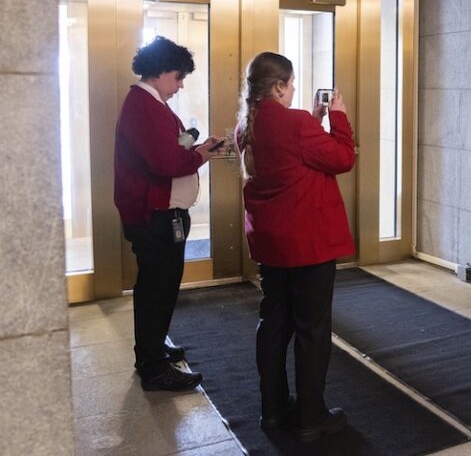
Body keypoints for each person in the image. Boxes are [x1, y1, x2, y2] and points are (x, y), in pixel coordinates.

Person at [235, 52, 356, 442]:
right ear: (280, 85)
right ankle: (310, 416)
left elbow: (293, 156)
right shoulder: (296, 123)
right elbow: (340, 158)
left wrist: (315, 118)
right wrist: (337, 116)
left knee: (274, 324)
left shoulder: (246, 127)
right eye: (291, 84)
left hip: (272, 245)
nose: (293, 91)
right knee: (311, 329)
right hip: (309, 244)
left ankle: (272, 411)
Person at [114, 36, 223, 391]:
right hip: (154, 214)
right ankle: (153, 366)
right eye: (178, 77)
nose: (179, 86)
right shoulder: (144, 106)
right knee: (156, 289)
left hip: (162, 212)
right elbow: (166, 161)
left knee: (159, 286)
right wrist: (201, 155)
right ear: (160, 72)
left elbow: (171, 150)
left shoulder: (149, 103)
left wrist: (196, 147)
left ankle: (154, 345)